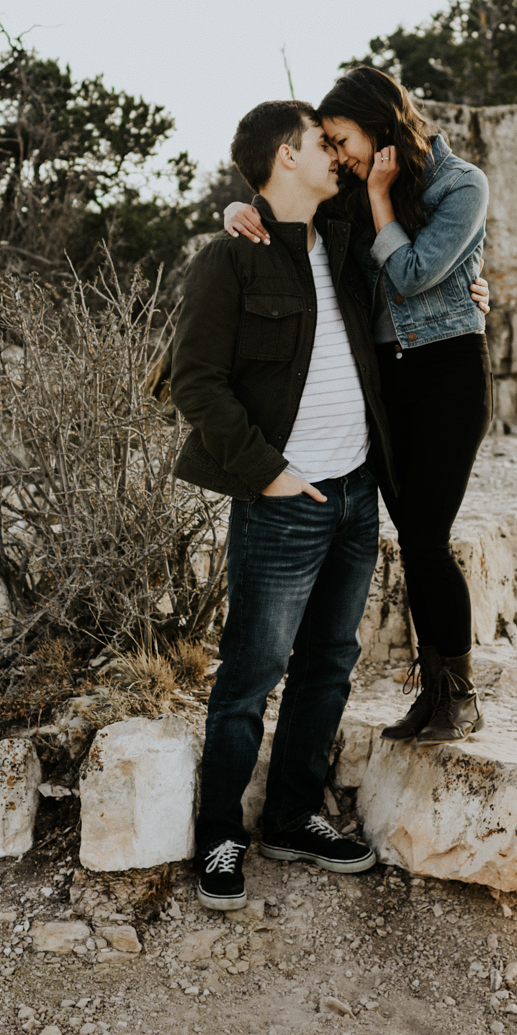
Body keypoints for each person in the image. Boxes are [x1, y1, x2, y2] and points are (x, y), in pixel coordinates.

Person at [170, 99, 394, 912]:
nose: (335, 156)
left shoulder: (343, 239)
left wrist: (467, 279)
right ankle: (220, 829)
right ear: (284, 156)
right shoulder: (227, 262)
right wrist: (267, 471)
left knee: (329, 662)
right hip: (284, 499)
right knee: (251, 674)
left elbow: (420, 244)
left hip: (356, 491)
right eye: (319, 144)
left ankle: (294, 815)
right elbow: (195, 380)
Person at [223, 67, 492, 746]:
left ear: (379, 124)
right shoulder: (351, 188)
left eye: (342, 138)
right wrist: (235, 210)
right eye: (330, 143)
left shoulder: (461, 186)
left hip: (448, 376)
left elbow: (406, 277)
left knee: (428, 538)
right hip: (388, 382)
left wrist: (377, 195)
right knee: (412, 540)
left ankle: (459, 699)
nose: (337, 154)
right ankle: (434, 696)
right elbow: (291, 211)